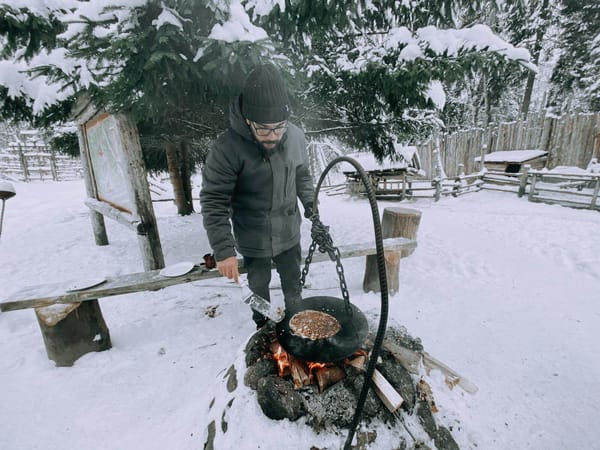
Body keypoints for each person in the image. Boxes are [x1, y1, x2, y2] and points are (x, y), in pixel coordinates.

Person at [200, 64, 315, 328]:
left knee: (293, 283)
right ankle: (262, 328)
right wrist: (224, 250)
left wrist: (312, 207)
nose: (273, 136)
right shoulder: (227, 148)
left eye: (279, 127)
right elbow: (214, 201)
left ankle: (296, 322)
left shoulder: (295, 136)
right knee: (258, 286)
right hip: (253, 237)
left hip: (289, 232)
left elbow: (303, 177)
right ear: (247, 119)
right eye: (263, 129)